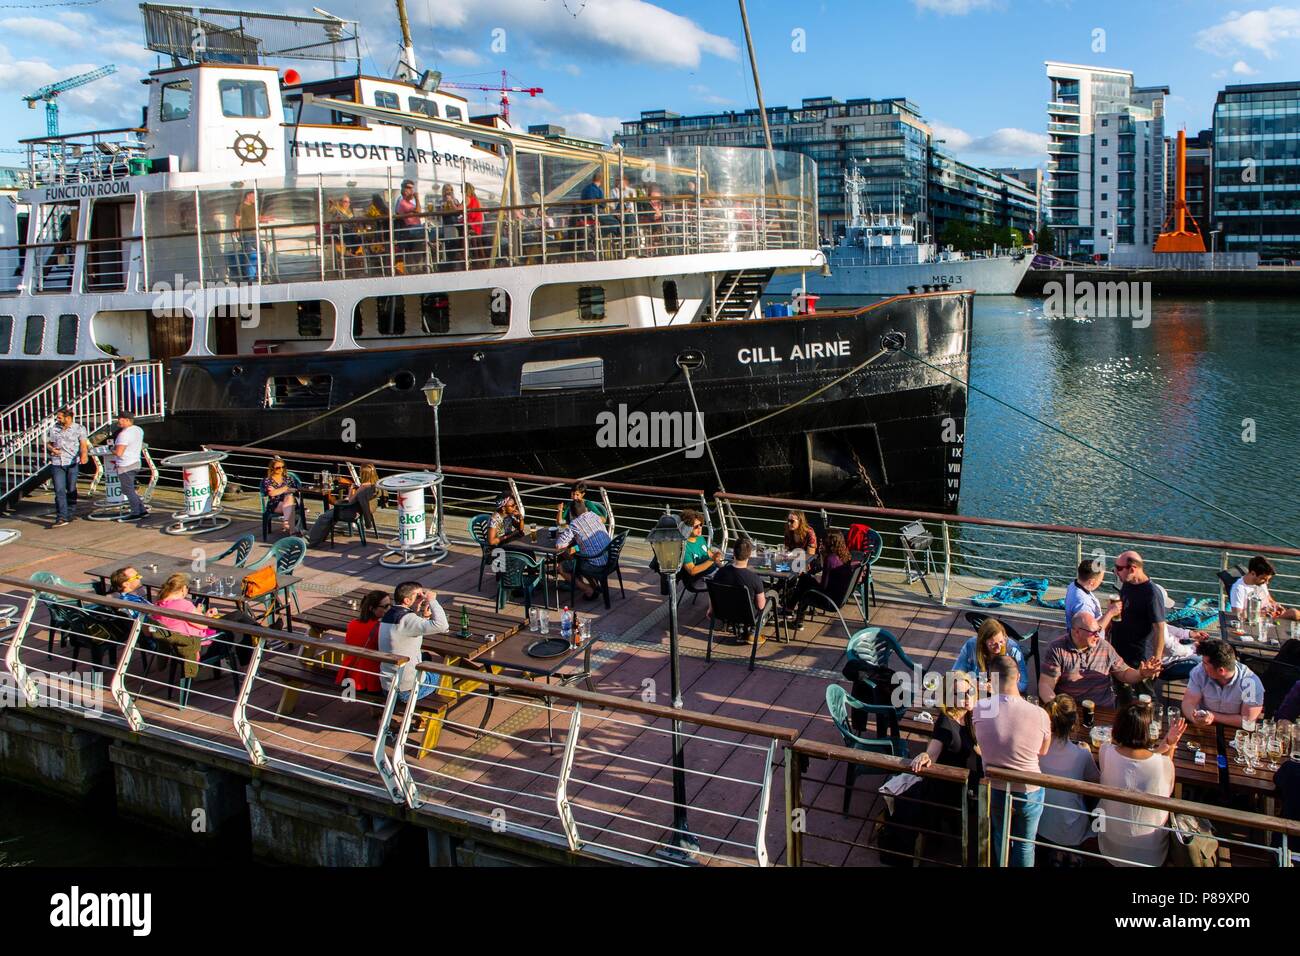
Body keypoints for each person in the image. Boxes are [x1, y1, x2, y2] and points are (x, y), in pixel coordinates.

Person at [970, 654, 1052, 866]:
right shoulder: (1040, 714)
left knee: (1000, 835)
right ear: (1017, 677)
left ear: (992, 680)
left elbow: (979, 737)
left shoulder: (980, 708)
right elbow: (1043, 751)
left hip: (995, 787)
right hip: (1028, 789)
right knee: (1025, 843)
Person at [1097, 699, 1186, 867]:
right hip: (1150, 853)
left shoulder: (1105, 751)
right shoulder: (1162, 764)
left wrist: (1166, 745)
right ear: (1147, 732)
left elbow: (1137, 762)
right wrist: (1171, 746)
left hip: (1111, 844)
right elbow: (1164, 779)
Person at [1039, 610, 1162, 708]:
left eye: (1099, 630)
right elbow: (1045, 685)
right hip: (1074, 709)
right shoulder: (1057, 649)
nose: (1098, 635)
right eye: (1093, 632)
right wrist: (1059, 710)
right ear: (1076, 632)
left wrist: (1141, 674)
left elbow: (1123, 673)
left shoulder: (1104, 647)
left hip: (1104, 707)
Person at [1036, 694, 1100, 860]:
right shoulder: (1081, 754)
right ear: (1074, 724)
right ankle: (1094, 843)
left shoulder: (1036, 750)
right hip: (1071, 830)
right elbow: (1097, 782)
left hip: (1040, 825)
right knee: (1098, 803)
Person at [1108, 551, 1167, 699]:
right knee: (1121, 694)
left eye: (1119, 568)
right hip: (1119, 652)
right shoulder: (1127, 584)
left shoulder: (1152, 594)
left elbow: (1160, 628)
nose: (1116, 571)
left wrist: (1156, 661)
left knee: (1144, 697)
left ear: (1133, 569)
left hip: (1139, 657)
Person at [378, 581, 449, 702]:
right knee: (446, 675)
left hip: (387, 685)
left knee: (426, 659)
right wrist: (432, 600)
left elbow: (406, 631)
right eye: (418, 596)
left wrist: (419, 613)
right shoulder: (407, 619)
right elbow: (442, 626)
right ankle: (429, 718)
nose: (422, 598)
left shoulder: (389, 614)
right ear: (406, 600)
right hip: (406, 691)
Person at [1182, 638, 1265, 729]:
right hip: (1203, 727)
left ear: (1221, 670)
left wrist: (1213, 717)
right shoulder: (1199, 672)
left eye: (1205, 663)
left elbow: (1248, 722)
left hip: (1235, 732)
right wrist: (1194, 718)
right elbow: (1187, 703)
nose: (1202, 665)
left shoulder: (1251, 684)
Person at [708, 537, 776, 647]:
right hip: (747, 616)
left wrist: (711, 609)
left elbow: (713, 595)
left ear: (733, 553)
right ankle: (753, 632)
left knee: (738, 601)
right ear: (749, 555)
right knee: (773, 596)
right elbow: (761, 606)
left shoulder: (720, 573)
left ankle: (741, 630)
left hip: (724, 613)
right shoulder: (754, 579)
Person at [788, 530, 856, 630]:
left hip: (829, 600)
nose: (821, 542)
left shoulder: (830, 559)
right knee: (805, 579)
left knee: (804, 584)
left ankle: (795, 618)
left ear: (829, 543)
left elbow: (823, 586)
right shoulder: (844, 555)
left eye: (823, 540)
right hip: (839, 596)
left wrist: (816, 579)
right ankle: (791, 610)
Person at [952, 617, 1029, 695]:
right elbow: (955, 674)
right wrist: (979, 685)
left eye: (1001, 641)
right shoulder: (971, 645)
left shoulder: (1012, 649)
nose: (998, 647)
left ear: (1004, 637)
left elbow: (1023, 684)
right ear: (983, 643)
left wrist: (998, 687)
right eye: (992, 644)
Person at [555, 498, 611, 600]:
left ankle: (588, 590)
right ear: (585, 508)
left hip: (596, 563)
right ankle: (594, 585)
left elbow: (559, 545)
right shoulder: (594, 516)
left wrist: (562, 535)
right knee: (575, 550)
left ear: (572, 513)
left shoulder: (574, 524)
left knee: (561, 567)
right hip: (609, 558)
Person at [336, 589, 389, 693]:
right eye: (385, 606)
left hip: (350, 673)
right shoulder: (382, 628)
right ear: (372, 608)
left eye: (390, 605)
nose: (389, 609)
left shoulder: (352, 623)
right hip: (371, 678)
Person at [45, 406, 88, 527]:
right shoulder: (54, 429)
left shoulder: (79, 428)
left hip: (72, 462)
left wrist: (84, 455)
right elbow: (49, 443)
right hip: (57, 462)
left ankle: (71, 512)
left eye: (59, 417)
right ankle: (61, 516)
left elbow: (83, 444)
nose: (57, 419)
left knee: (71, 488)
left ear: (68, 418)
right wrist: (52, 449)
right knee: (59, 490)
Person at [1231, 555, 1300, 623]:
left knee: (1295, 613)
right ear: (1253, 573)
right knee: (1294, 613)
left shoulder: (1260, 582)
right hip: (1260, 620)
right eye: (1264, 579)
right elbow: (1238, 614)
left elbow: (1269, 600)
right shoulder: (1239, 589)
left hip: (1272, 615)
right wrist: (1262, 613)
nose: (1266, 583)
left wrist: (1276, 606)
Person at [1063, 558, 1121, 635]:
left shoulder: (1073, 585)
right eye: (1100, 580)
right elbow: (1091, 632)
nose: (1101, 582)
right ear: (1092, 582)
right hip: (1088, 643)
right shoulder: (1083, 604)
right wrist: (1110, 613)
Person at [111, 411, 147, 521]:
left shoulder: (123, 434)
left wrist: (111, 449)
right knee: (129, 488)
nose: (118, 421)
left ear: (127, 420)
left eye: (121, 419)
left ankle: (135, 513)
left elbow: (119, 453)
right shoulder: (138, 430)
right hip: (136, 462)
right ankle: (142, 510)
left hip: (125, 464)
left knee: (128, 490)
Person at [678, 508, 723, 587]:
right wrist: (712, 560)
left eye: (701, 525)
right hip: (698, 578)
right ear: (687, 527)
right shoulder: (684, 547)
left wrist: (716, 557)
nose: (699, 528)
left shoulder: (700, 538)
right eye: (696, 526)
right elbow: (692, 571)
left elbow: (709, 554)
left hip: (711, 571)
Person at [261, 458, 299, 534]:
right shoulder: (267, 480)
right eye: (278, 468)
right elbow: (271, 494)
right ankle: (291, 530)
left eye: (283, 467)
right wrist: (286, 488)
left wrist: (276, 490)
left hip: (289, 502)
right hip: (275, 504)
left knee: (289, 498)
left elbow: (295, 490)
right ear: (272, 468)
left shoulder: (288, 478)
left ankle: (286, 524)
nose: (281, 469)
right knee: (291, 505)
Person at [394, 179, 423, 270]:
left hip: (415, 228)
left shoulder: (409, 202)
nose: (412, 191)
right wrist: (417, 198)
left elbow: (418, 210)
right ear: (404, 190)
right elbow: (418, 211)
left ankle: (421, 265)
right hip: (410, 229)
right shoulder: (402, 202)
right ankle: (417, 267)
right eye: (409, 188)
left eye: (412, 188)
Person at [464, 182, 485, 264]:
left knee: (461, 234)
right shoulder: (475, 198)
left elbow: (459, 208)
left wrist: (452, 202)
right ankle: (481, 259)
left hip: (473, 223)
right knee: (476, 240)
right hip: (478, 223)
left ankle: (465, 256)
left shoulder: (467, 198)